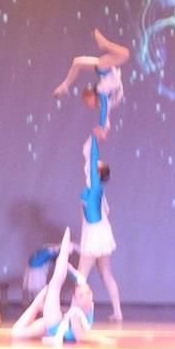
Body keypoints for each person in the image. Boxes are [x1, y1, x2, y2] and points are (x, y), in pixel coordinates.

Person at [11, 226, 104, 344]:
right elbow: (80, 337)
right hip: (53, 322)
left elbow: (81, 280)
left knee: (16, 333)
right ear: (75, 300)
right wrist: (102, 340)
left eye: (88, 294)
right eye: (81, 296)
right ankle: (63, 252)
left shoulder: (89, 307)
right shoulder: (75, 314)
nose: (86, 297)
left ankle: (36, 305)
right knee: (56, 282)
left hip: (53, 326)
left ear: (92, 294)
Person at [76, 124, 123, 321]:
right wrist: (96, 134)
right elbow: (88, 159)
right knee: (106, 274)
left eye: (97, 166)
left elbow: (92, 156)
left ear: (98, 173)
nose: (93, 165)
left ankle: (79, 312)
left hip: (96, 234)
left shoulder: (95, 188)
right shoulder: (93, 188)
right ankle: (117, 312)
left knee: (81, 276)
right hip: (98, 232)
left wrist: (96, 137)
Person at [53, 28, 130, 130]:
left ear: (92, 95)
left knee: (77, 62)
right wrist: (103, 127)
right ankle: (105, 44)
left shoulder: (101, 90)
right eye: (86, 102)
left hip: (106, 71)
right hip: (107, 72)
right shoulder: (103, 95)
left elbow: (105, 112)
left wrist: (103, 125)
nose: (86, 105)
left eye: (86, 101)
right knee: (124, 54)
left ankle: (64, 86)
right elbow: (105, 111)